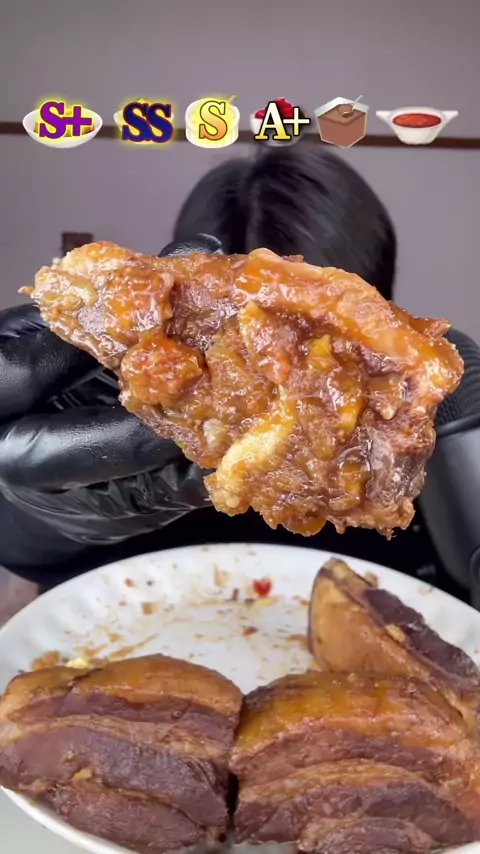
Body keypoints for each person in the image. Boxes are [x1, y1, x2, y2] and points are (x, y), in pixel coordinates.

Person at [0, 146, 457, 595]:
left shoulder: (424, 414)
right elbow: (44, 570)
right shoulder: (117, 387)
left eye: (340, 347)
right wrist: (39, 519)